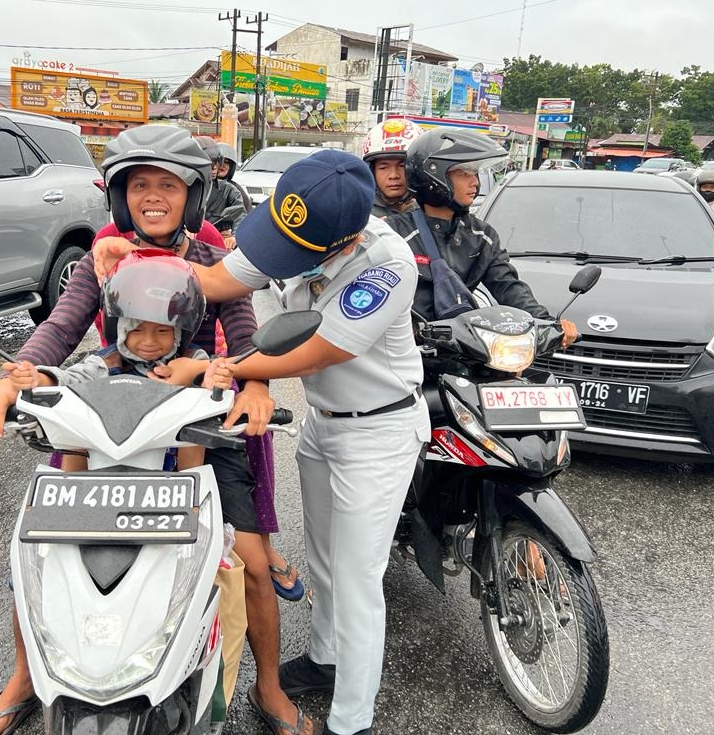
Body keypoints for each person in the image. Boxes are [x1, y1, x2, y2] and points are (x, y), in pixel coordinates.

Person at [0, 124, 310, 735]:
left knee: (254, 563)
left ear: (193, 195)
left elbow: (246, 335)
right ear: (119, 195)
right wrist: (12, 381)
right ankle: (27, 673)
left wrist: (254, 384)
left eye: (168, 186)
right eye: (139, 185)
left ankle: (268, 686)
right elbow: (59, 330)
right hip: (105, 419)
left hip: (201, 428)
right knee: (40, 551)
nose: (153, 197)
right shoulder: (99, 260)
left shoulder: (215, 262)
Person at [94, 150, 428, 735]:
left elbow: (317, 351)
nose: (279, 256)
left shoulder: (386, 266)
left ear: (342, 241)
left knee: (356, 579)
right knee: (324, 561)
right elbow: (219, 277)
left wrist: (209, 369)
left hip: (379, 429)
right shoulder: (300, 225)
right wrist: (136, 261)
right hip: (326, 422)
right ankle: (325, 660)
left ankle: (353, 720)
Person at [4, 251, 233, 472]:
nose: (149, 341)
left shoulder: (193, 359)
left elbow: (212, 380)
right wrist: (39, 378)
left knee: (195, 424)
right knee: (75, 431)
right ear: (120, 329)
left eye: (163, 330)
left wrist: (211, 375)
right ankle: (70, 492)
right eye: (137, 330)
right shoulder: (108, 360)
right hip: (108, 454)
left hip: (172, 457)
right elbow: (73, 379)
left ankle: (191, 499)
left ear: (180, 332)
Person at [396, 128, 578, 346]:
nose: (475, 182)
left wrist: (547, 323)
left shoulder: (482, 236)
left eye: (475, 173)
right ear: (433, 175)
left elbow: (508, 286)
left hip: (462, 349)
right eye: (464, 173)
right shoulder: (395, 233)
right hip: (404, 351)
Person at [360, 117, 424, 218]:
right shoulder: (359, 216)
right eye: (383, 168)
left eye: (402, 166)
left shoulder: (433, 212)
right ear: (372, 171)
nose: (393, 175)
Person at [195, 136, 245, 238]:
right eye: (210, 162)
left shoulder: (231, 190)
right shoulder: (187, 186)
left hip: (218, 240)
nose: (214, 167)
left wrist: (234, 237)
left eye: (217, 162)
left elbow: (241, 215)